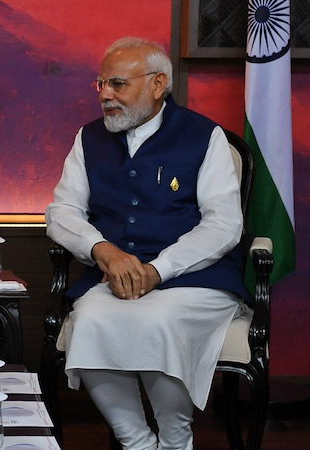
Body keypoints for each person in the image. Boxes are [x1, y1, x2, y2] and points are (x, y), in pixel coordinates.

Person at [45, 37, 251, 450]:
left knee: (159, 321)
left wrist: (160, 269)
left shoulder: (204, 136)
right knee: (89, 321)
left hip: (197, 278)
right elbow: (61, 211)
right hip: (114, 277)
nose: (105, 95)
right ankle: (136, 441)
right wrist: (102, 250)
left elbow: (224, 224)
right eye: (101, 84)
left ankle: (176, 439)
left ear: (158, 85)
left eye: (118, 84)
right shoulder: (88, 139)